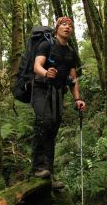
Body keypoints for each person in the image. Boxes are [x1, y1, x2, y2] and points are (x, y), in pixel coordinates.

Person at [31, 16, 86, 188]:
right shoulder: (46, 45)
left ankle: (49, 174)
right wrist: (46, 73)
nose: (67, 27)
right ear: (57, 28)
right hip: (41, 90)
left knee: (53, 130)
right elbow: (37, 66)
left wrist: (77, 99)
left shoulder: (70, 53)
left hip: (57, 94)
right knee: (44, 122)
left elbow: (73, 78)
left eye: (70, 25)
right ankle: (37, 167)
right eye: (63, 24)